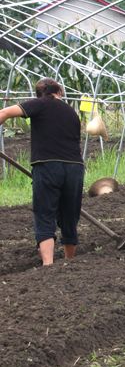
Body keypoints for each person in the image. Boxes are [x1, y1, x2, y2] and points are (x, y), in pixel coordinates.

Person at [0, 78, 84, 266]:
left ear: (40, 94)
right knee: (70, 216)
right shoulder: (72, 112)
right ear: (59, 92)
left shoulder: (40, 104)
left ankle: (48, 265)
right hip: (75, 168)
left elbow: (4, 112)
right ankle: (70, 263)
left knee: (45, 213)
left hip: (47, 166)